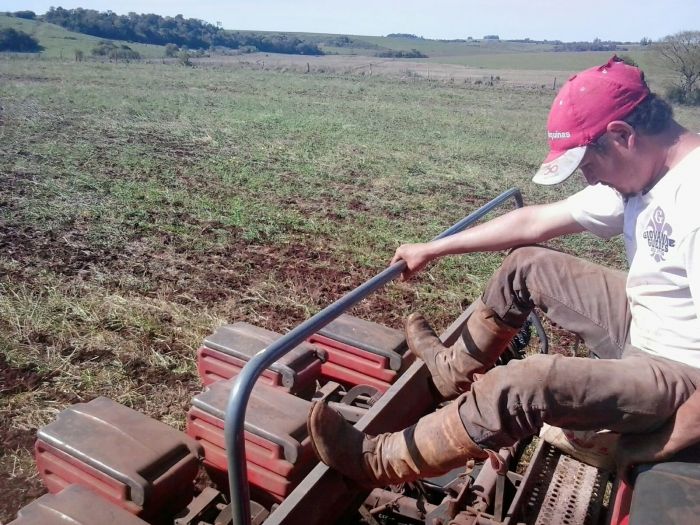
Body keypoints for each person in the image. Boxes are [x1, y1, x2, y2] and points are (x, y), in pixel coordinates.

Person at [306, 56, 700, 487]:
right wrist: (434, 248)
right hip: (650, 322)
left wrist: (662, 441)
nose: (590, 181)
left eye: (587, 166)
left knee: (526, 382)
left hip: (681, 370)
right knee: (527, 263)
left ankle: (379, 462)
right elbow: (532, 222)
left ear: (621, 135)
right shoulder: (647, 174)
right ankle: (449, 371)